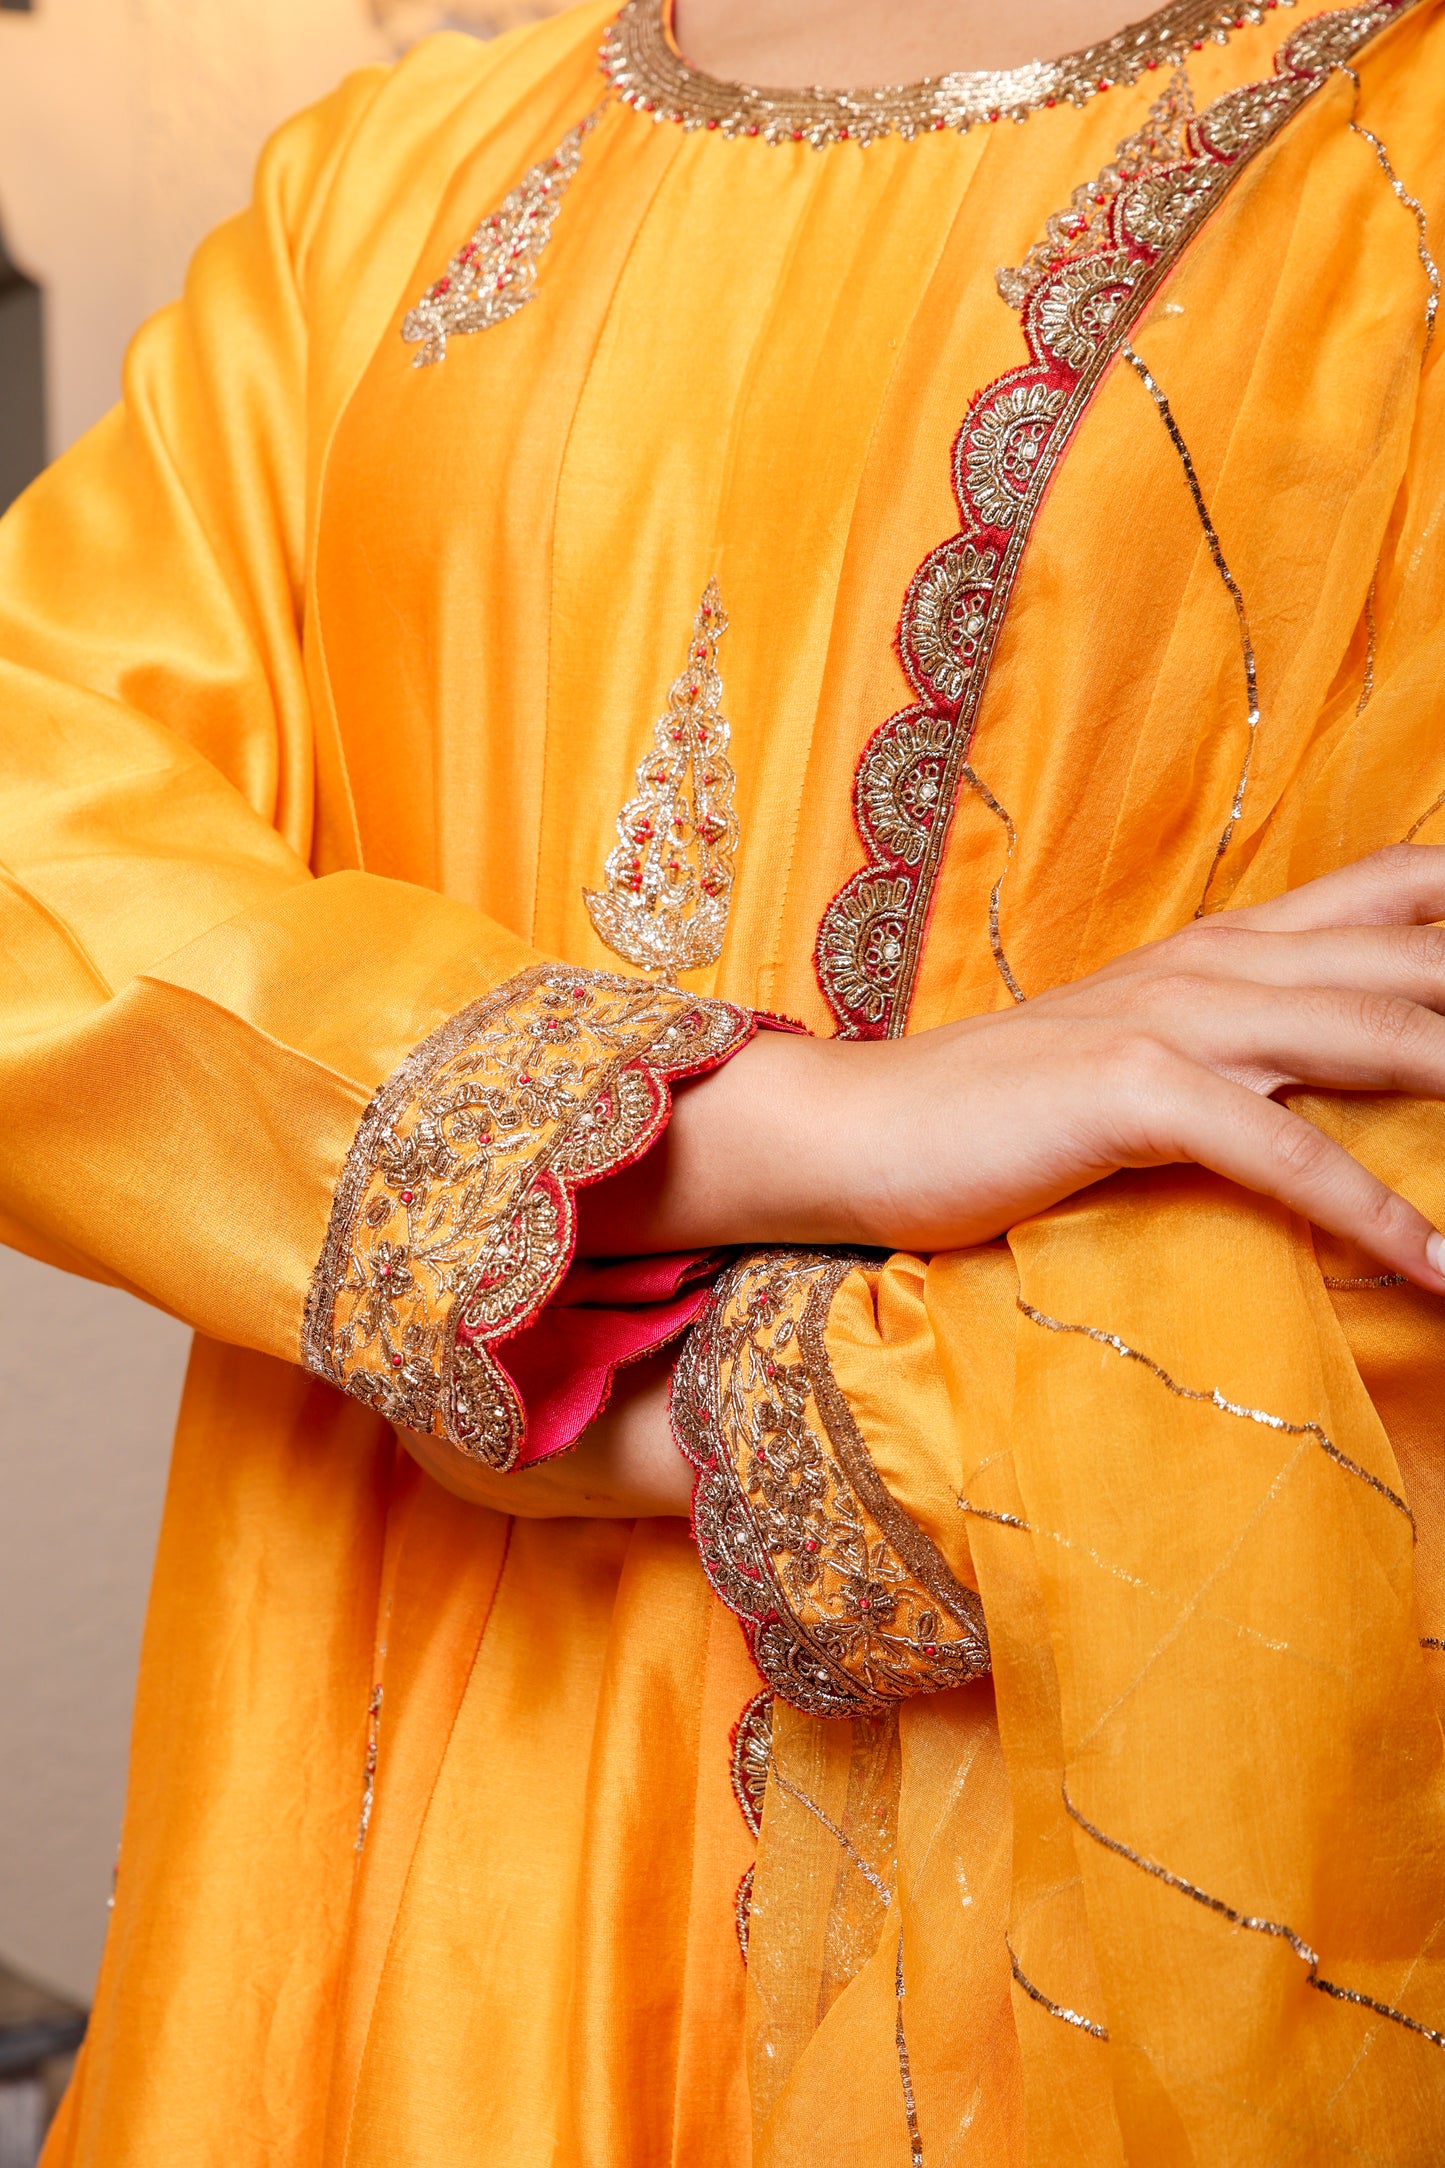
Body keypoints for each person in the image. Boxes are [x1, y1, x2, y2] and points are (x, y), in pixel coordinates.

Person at [3, 0, 1444, 2156]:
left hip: (1036, 1942)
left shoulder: (1397, 178)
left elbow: (1388, 1169)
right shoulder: (388, 187)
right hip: (361, 1898)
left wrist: (660, 1408)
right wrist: (760, 1131)